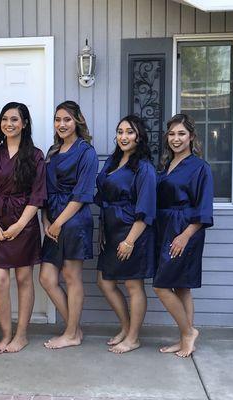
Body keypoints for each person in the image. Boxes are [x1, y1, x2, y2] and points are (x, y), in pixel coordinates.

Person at [0, 102, 47, 353]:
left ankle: (22, 334)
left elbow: (38, 196)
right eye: (5, 118)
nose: (9, 123)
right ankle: (6, 334)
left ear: (24, 123)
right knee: (0, 280)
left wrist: (19, 225)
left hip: (24, 223)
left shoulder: (35, 155)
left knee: (24, 278)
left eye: (15, 119)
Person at [153, 113, 214, 358]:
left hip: (185, 230)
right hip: (164, 228)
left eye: (181, 134)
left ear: (191, 137)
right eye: (172, 134)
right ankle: (184, 338)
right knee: (182, 288)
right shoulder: (166, 166)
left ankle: (188, 332)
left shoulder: (200, 167)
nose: (176, 139)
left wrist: (185, 236)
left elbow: (204, 208)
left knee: (161, 286)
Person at [39, 101, 98, 349]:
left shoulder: (86, 152)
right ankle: (74, 328)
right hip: (52, 220)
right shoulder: (53, 151)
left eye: (67, 119)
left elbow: (82, 194)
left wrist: (59, 222)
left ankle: (71, 333)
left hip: (74, 221)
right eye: (57, 119)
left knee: (72, 277)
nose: (61, 124)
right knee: (47, 277)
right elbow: (45, 190)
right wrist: (46, 221)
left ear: (77, 121)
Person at [95, 115, 156, 354]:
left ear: (139, 136)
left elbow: (146, 208)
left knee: (133, 284)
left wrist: (130, 241)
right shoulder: (113, 161)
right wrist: (103, 230)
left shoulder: (145, 168)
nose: (123, 137)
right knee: (104, 281)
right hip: (111, 230)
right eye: (120, 132)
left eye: (129, 132)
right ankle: (126, 326)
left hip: (132, 230)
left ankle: (133, 337)